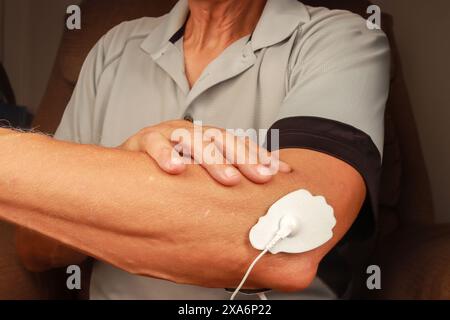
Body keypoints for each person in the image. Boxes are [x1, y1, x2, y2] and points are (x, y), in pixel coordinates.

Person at [1, 0, 390, 299]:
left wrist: (91, 189)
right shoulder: (114, 48)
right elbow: (35, 246)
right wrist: (124, 158)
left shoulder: (342, 38)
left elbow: (286, 248)